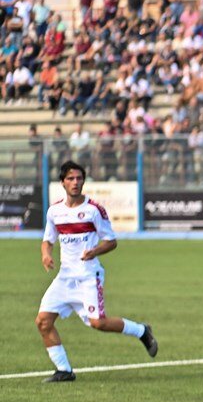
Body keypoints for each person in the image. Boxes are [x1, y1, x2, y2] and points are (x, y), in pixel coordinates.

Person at [36, 161, 158, 382]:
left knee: (98, 323)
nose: (76, 183)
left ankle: (142, 331)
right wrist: (46, 254)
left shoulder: (93, 210)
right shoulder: (55, 211)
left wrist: (94, 251)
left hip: (88, 276)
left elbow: (111, 241)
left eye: (79, 178)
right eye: (71, 179)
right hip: (64, 278)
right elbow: (48, 240)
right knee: (43, 322)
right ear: (62, 182)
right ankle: (64, 371)